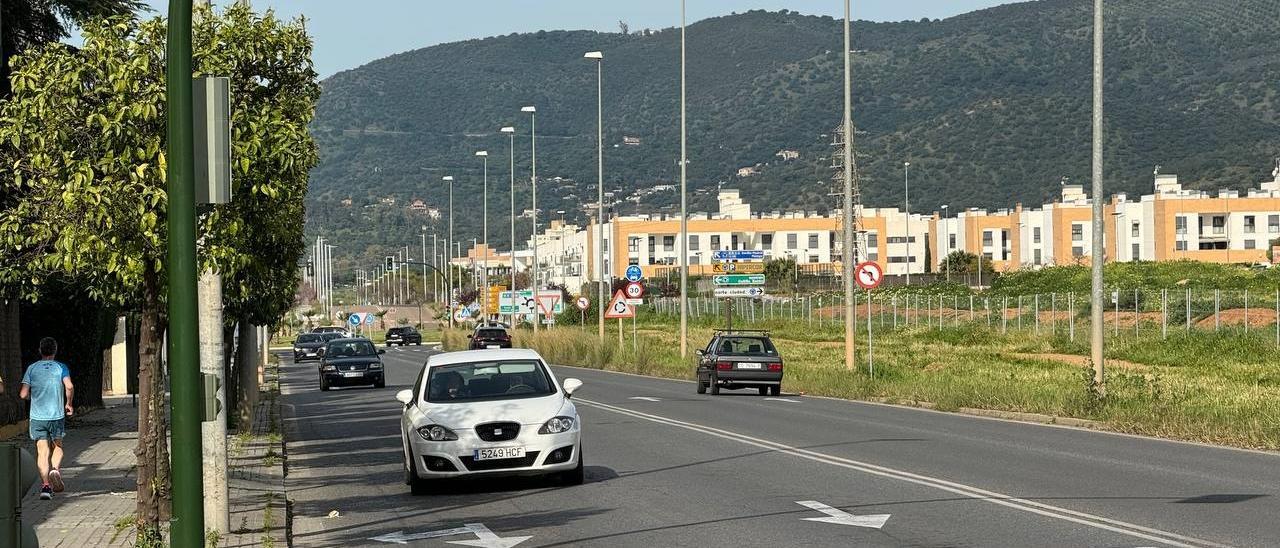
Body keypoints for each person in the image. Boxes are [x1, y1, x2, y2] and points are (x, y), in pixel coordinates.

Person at [20, 337, 74, 500]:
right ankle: (55, 470)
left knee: (42, 452)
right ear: (55, 351)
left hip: (37, 417)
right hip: (56, 416)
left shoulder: (32, 368)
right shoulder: (61, 367)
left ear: (40, 350)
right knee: (57, 446)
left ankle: (45, 487)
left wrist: (31, 396)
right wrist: (69, 403)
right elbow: (69, 386)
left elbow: (23, 394)